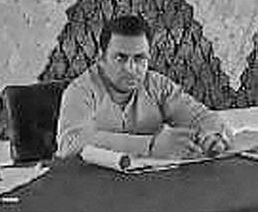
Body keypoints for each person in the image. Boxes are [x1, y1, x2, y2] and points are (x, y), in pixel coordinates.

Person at [56, 15, 230, 159]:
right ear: (101, 58)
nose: (130, 69)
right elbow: (70, 143)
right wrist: (150, 146)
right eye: (120, 58)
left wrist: (212, 135)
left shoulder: (158, 85)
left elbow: (202, 117)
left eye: (139, 58)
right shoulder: (80, 90)